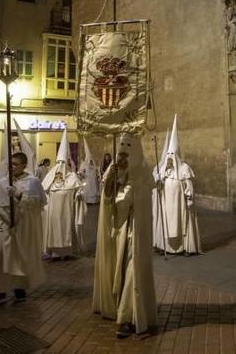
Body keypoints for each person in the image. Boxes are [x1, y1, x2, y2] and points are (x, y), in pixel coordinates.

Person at [91, 133, 157, 339]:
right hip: (119, 231)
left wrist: (119, 188)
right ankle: (120, 306)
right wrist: (110, 182)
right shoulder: (118, 171)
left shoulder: (143, 174)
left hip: (135, 232)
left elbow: (128, 202)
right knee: (118, 268)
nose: (123, 157)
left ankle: (128, 317)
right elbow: (109, 204)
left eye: (128, 152)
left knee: (132, 269)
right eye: (121, 152)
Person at [0, 152, 46, 308]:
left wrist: (19, 196)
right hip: (4, 225)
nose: (12, 167)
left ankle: (19, 288)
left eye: (16, 164)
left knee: (19, 258)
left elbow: (39, 203)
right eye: (11, 164)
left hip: (23, 227)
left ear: (24, 165)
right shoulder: (3, 182)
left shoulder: (33, 182)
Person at [157, 116, 202, 255]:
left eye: (172, 154)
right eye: (168, 154)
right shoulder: (163, 169)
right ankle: (168, 247)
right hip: (167, 204)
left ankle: (184, 247)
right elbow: (158, 184)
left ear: (176, 156)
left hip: (180, 204)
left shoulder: (183, 169)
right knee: (168, 224)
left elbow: (189, 185)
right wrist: (160, 179)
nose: (170, 157)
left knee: (181, 223)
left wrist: (189, 197)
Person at [42, 128, 83, 260]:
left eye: (63, 163)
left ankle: (66, 253)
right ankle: (54, 253)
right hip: (53, 212)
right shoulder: (50, 177)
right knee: (54, 231)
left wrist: (78, 195)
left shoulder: (72, 177)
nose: (61, 166)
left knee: (66, 230)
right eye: (59, 163)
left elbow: (79, 190)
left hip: (67, 211)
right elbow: (44, 191)